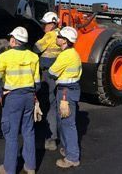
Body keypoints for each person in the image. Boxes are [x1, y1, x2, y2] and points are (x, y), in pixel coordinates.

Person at [0, 27, 41, 174]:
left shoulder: (5, 56)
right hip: (29, 97)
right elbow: (37, 84)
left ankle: (9, 169)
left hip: (13, 98)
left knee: (11, 134)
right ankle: (30, 167)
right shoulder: (33, 57)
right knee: (28, 131)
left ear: (13, 40)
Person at [48, 26, 82, 168]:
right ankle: (68, 149)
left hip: (65, 93)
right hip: (68, 91)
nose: (57, 38)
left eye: (60, 36)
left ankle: (72, 158)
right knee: (64, 123)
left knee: (68, 125)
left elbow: (51, 72)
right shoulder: (73, 53)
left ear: (65, 41)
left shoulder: (65, 55)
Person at [33, 11, 62, 151]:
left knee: (49, 104)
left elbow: (36, 48)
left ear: (53, 23)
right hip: (58, 73)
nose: (44, 26)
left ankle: (51, 139)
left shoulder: (49, 35)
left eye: (46, 24)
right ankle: (59, 135)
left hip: (48, 73)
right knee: (56, 103)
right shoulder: (61, 35)